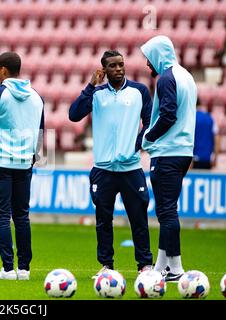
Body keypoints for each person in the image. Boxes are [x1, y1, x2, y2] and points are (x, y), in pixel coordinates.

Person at [69, 50, 154, 278]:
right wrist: (89, 86)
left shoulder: (139, 91)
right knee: (103, 221)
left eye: (121, 64)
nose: (118, 69)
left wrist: (135, 145)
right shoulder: (96, 94)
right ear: (104, 70)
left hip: (131, 168)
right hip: (103, 169)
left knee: (138, 219)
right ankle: (107, 266)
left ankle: (145, 265)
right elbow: (74, 115)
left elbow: (150, 122)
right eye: (113, 66)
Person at [0, 52, 44, 280]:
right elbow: (40, 131)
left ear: (2, 70)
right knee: (22, 216)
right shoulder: (36, 97)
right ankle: (24, 269)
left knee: (2, 216)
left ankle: (8, 269)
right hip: (23, 164)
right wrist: (32, 157)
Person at [141, 35, 197, 282]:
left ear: (158, 55)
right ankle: (162, 266)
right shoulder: (186, 76)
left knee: (166, 211)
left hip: (167, 152)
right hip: (183, 151)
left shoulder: (166, 78)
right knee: (167, 210)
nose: (147, 65)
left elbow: (167, 116)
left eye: (148, 59)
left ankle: (175, 267)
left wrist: (147, 137)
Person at [193, 98, 219, 169]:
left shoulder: (192, 118)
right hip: (207, 158)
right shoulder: (210, 118)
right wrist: (215, 157)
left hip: (193, 158)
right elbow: (216, 139)